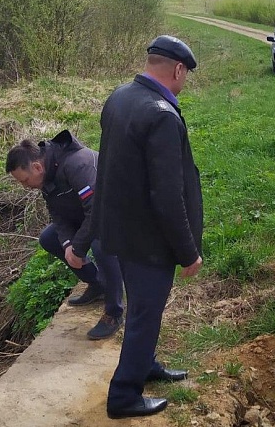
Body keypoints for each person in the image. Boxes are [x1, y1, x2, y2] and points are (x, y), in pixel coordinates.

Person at [93, 35, 204, 419]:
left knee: (143, 309)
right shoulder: (162, 115)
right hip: (148, 240)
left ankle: (147, 364)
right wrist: (188, 251)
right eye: (185, 74)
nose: (184, 81)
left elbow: (111, 169)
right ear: (177, 69)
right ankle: (124, 396)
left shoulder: (120, 97)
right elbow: (168, 196)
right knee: (145, 313)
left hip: (121, 231)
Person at [5, 130, 124, 340]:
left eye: (24, 180)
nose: (25, 186)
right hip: (88, 216)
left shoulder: (78, 164)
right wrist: (69, 244)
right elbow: (57, 216)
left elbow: (96, 212)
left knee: (100, 245)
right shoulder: (46, 176)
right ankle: (97, 284)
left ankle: (114, 312)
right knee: (49, 238)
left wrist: (78, 248)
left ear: (36, 166)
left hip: (117, 216)